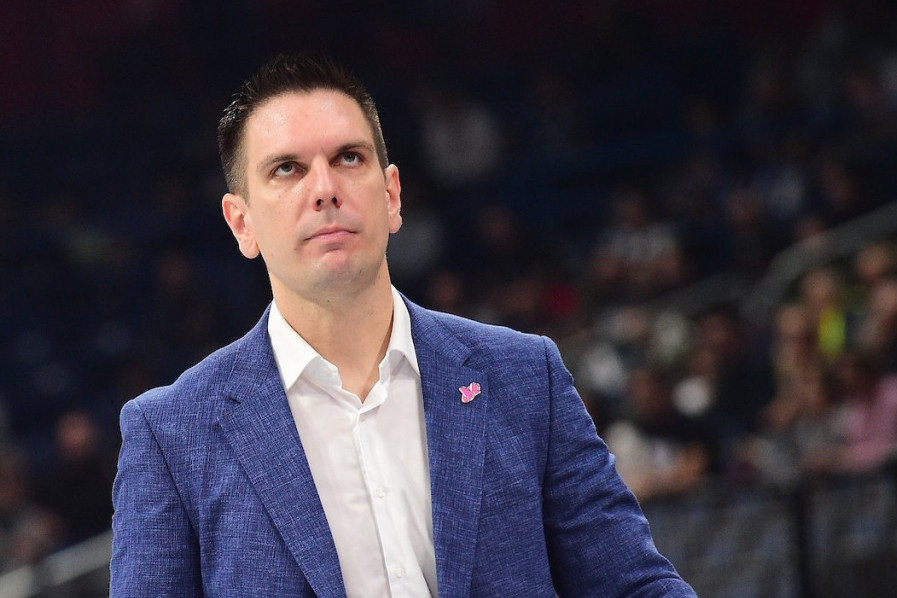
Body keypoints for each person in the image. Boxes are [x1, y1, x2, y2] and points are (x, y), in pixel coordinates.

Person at [110, 52, 697, 598]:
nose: (325, 189)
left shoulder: (525, 376)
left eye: (348, 158)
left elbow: (634, 587)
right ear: (241, 223)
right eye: (287, 169)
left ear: (391, 195)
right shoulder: (171, 434)